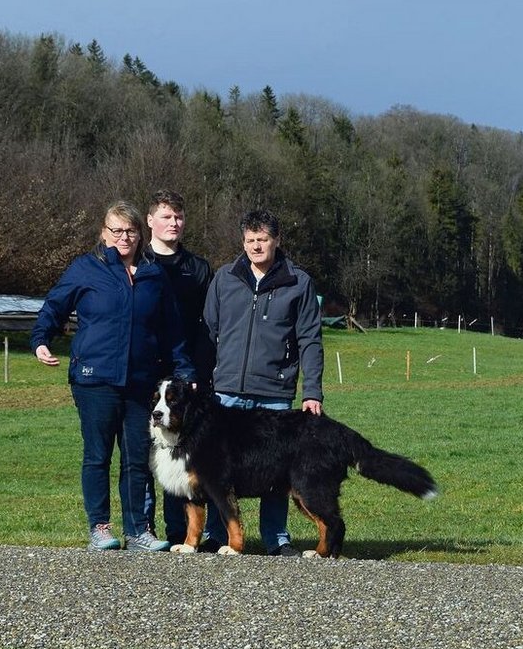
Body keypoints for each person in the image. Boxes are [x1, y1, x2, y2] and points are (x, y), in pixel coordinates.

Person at [31, 201, 194, 552]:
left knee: (137, 458)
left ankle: (138, 531)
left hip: (140, 384)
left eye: (130, 231)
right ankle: (100, 527)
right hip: (94, 380)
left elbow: (172, 329)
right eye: (116, 230)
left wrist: (185, 370)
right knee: (97, 455)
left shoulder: (154, 275)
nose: (124, 237)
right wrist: (41, 340)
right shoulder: (86, 269)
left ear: (140, 234)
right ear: (103, 232)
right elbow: (54, 306)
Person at [203, 208, 324, 556]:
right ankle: (217, 535)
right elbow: (208, 334)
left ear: (277, 240)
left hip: (274, 392)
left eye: (263, 239)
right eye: (250, 240)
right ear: (243, 242)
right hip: (224, 393)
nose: (256, 246)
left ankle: (276, 539)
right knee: (217, 472)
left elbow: (310, 340)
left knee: (276, 472)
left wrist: (311, 391)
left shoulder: (297, 282)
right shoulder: (224, 278)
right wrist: (201, 383)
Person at [144, 189, 214, 545]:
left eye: (179, 217)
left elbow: (208, 325)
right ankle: (146, 531)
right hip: (145, 372)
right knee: (150, 456)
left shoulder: (199, 269)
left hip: (188, 377)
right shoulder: (138, 263)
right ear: (150, 221)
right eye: (167, 217)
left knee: (192, 456)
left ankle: (193, 533)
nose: (174, 223)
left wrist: (199, 373)